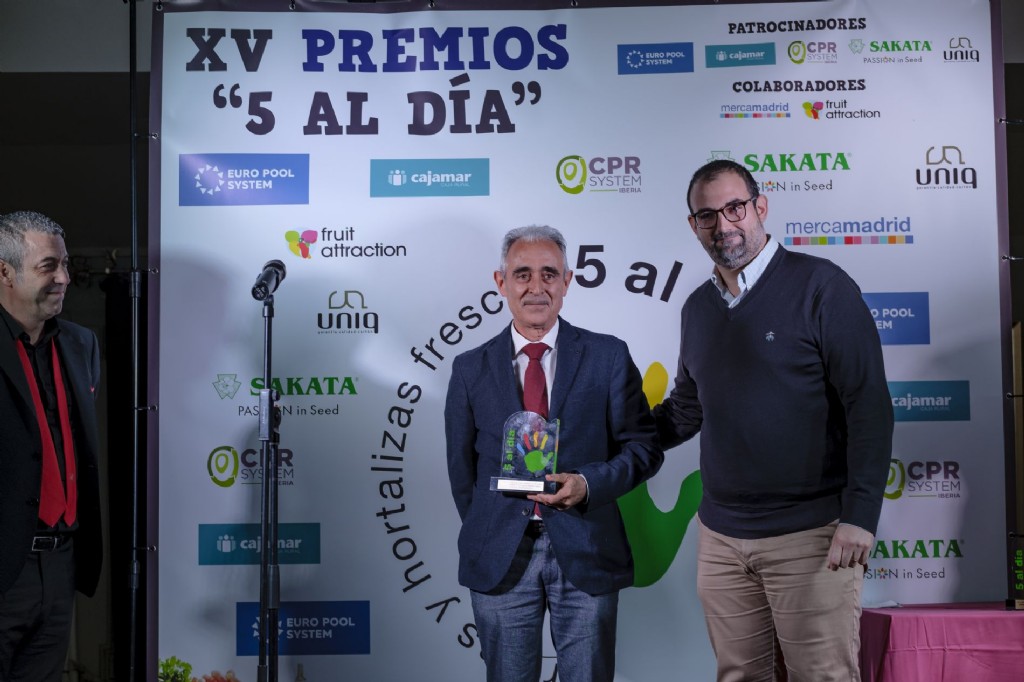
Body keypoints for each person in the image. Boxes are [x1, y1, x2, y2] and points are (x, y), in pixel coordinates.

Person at [653, 160, 893, 681]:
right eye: (707, 215)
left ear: (760, 207)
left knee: (822, 676)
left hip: (811, 535)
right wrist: (607, 433)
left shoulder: (822, 286)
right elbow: (686, 410)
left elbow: (868, 403)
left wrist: (860, 515)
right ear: (694, 225)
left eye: (734, 208)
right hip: (721, 537)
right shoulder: (697, 309)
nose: (723, 225)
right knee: (739, 675)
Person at [445, 225, 663, 682]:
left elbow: (644, 448)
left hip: (587, 545)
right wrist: (497, 522)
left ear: (567, 281)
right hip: (500, 555)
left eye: (549, 274)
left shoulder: (607, 356)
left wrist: (587, 484)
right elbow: (462, 474)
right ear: (501, 282)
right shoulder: (469, 369)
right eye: (522, 274)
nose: (536, 286)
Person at [0, 211, 103, 681]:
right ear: (6, 272)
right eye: (48, 266)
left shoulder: (82, 344)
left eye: (64, 264)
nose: (63, 277)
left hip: (60, 564)